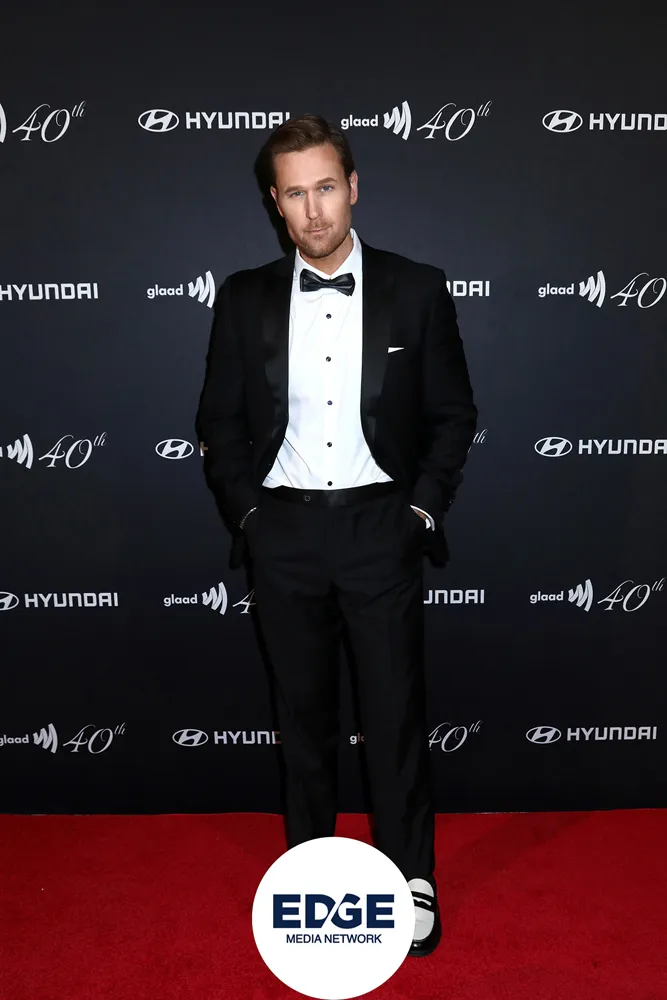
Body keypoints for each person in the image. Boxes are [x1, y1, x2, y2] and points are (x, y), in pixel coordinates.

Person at [196, 113, 477, 957]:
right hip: (282, 533)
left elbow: (453, 414)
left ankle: (412, 877)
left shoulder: (416, 287)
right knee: (302, 720)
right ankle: (310, 868)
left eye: (325, 187)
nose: (313, 209)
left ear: (352, 188)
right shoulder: (243, 296)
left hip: (379, 529)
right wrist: (251, 516)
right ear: (274, 203)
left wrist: (418, 513)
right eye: (295, 194)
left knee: (394, 718)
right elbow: (218, 422)